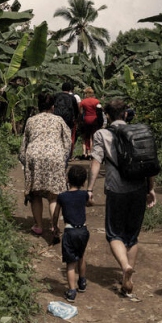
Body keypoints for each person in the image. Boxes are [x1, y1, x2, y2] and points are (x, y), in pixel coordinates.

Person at [85, 98, 156, 299]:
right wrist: (150, 188)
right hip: (138, 188)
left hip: (116, 188)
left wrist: (90, 189)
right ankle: (128, 274)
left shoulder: (101, 134)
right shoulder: (139, 132)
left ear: (107, 115)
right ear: (126, 114)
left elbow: (96, 163)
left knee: (114, 233)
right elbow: (148, 162)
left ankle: (125, 266)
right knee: (132, 235)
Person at [19, 92, 72, 244]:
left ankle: (39, 226)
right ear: (53, 107)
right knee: (54, 195)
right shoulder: (58, 120)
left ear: (38, 106)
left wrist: (25, 161)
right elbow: (67, 141)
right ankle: (54, 227)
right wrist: (63, 158)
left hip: (34, 156)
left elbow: (24, 144)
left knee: (35, 194)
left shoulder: (31, 120)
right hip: (55, 156)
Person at [54, 165, 91, 302]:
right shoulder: (84, 195)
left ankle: (71, 290)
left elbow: (56, 214)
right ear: (83, 182)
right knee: (81, 256)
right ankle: (82, 282)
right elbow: (90, 202)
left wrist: (55, 227)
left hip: (70, 231)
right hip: (83, 230)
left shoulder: (62, 197)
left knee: (70, 263)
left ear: (67, 180)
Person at [56, 82, 79, 160]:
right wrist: (76, 119)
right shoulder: (72, 98)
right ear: (70, 89)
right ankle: (68, 155)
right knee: (68, 137)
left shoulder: (56, 96)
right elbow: (76, 110)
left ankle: (58, 153)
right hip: (68, 120)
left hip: (57, 119)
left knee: (58, 136)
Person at [78, 87, 103, 159]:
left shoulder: (83, 102)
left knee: (87, 136)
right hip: (94, 119)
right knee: (93, 136)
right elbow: (99, 110)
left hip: (86, 119)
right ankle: (92, 153)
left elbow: (81, 112)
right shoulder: (96, 101)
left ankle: (87, 152)